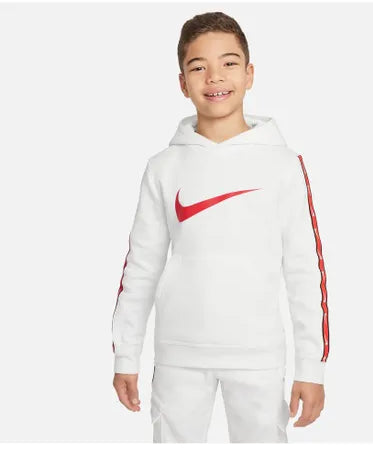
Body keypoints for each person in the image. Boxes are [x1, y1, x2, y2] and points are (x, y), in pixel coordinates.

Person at [111, 11, 330, 444]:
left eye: (229, 63)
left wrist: (312, 368)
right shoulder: (163, 167)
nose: (214, 76)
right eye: (199, 67)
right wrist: (126, 355)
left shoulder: (284, 165)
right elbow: (141, 267)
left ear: (249, 74)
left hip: (258, 356)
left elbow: (306, 271)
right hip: (178, 356)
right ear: (182, 83)